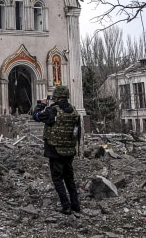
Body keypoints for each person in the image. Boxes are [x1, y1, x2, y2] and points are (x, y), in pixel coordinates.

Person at [32, 85, 81, 214]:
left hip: (55, 149)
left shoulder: (53, 111)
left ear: (56, 97)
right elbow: (77, 132)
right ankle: (76, 204)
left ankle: (66, 206)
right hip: (69, 150)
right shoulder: (74, 111)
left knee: (57, 178)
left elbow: (36, 116)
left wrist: (41, 105)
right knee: (69, 178)